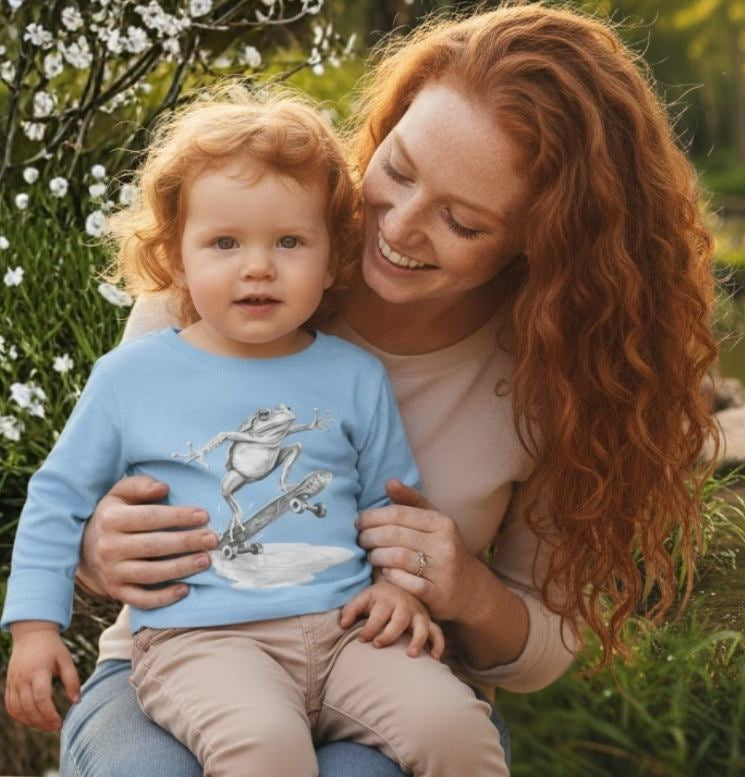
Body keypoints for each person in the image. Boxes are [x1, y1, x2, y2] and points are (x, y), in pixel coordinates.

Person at [56, 7, 719, 775]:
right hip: (177, 665)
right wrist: (98, 548)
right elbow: (80, 508)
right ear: (390, 122)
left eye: (462, 223)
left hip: (388, 679)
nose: (399, 227)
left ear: (545, 239)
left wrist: (467, 591)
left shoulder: (554, 373)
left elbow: (542, 649)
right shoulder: (242, 256)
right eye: (398, 170)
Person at [2, 85, 502, 776]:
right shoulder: (134, 376)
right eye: (225, 242)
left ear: (333, 260)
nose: (258, 265)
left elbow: (393, 505)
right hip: (203, 642)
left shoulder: (354, 375)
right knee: (266, 750)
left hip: (347, 632)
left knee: (456, 730)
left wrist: (398, 588)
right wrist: (33, 628)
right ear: (177, 255)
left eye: (290, 241)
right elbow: (57, 498)